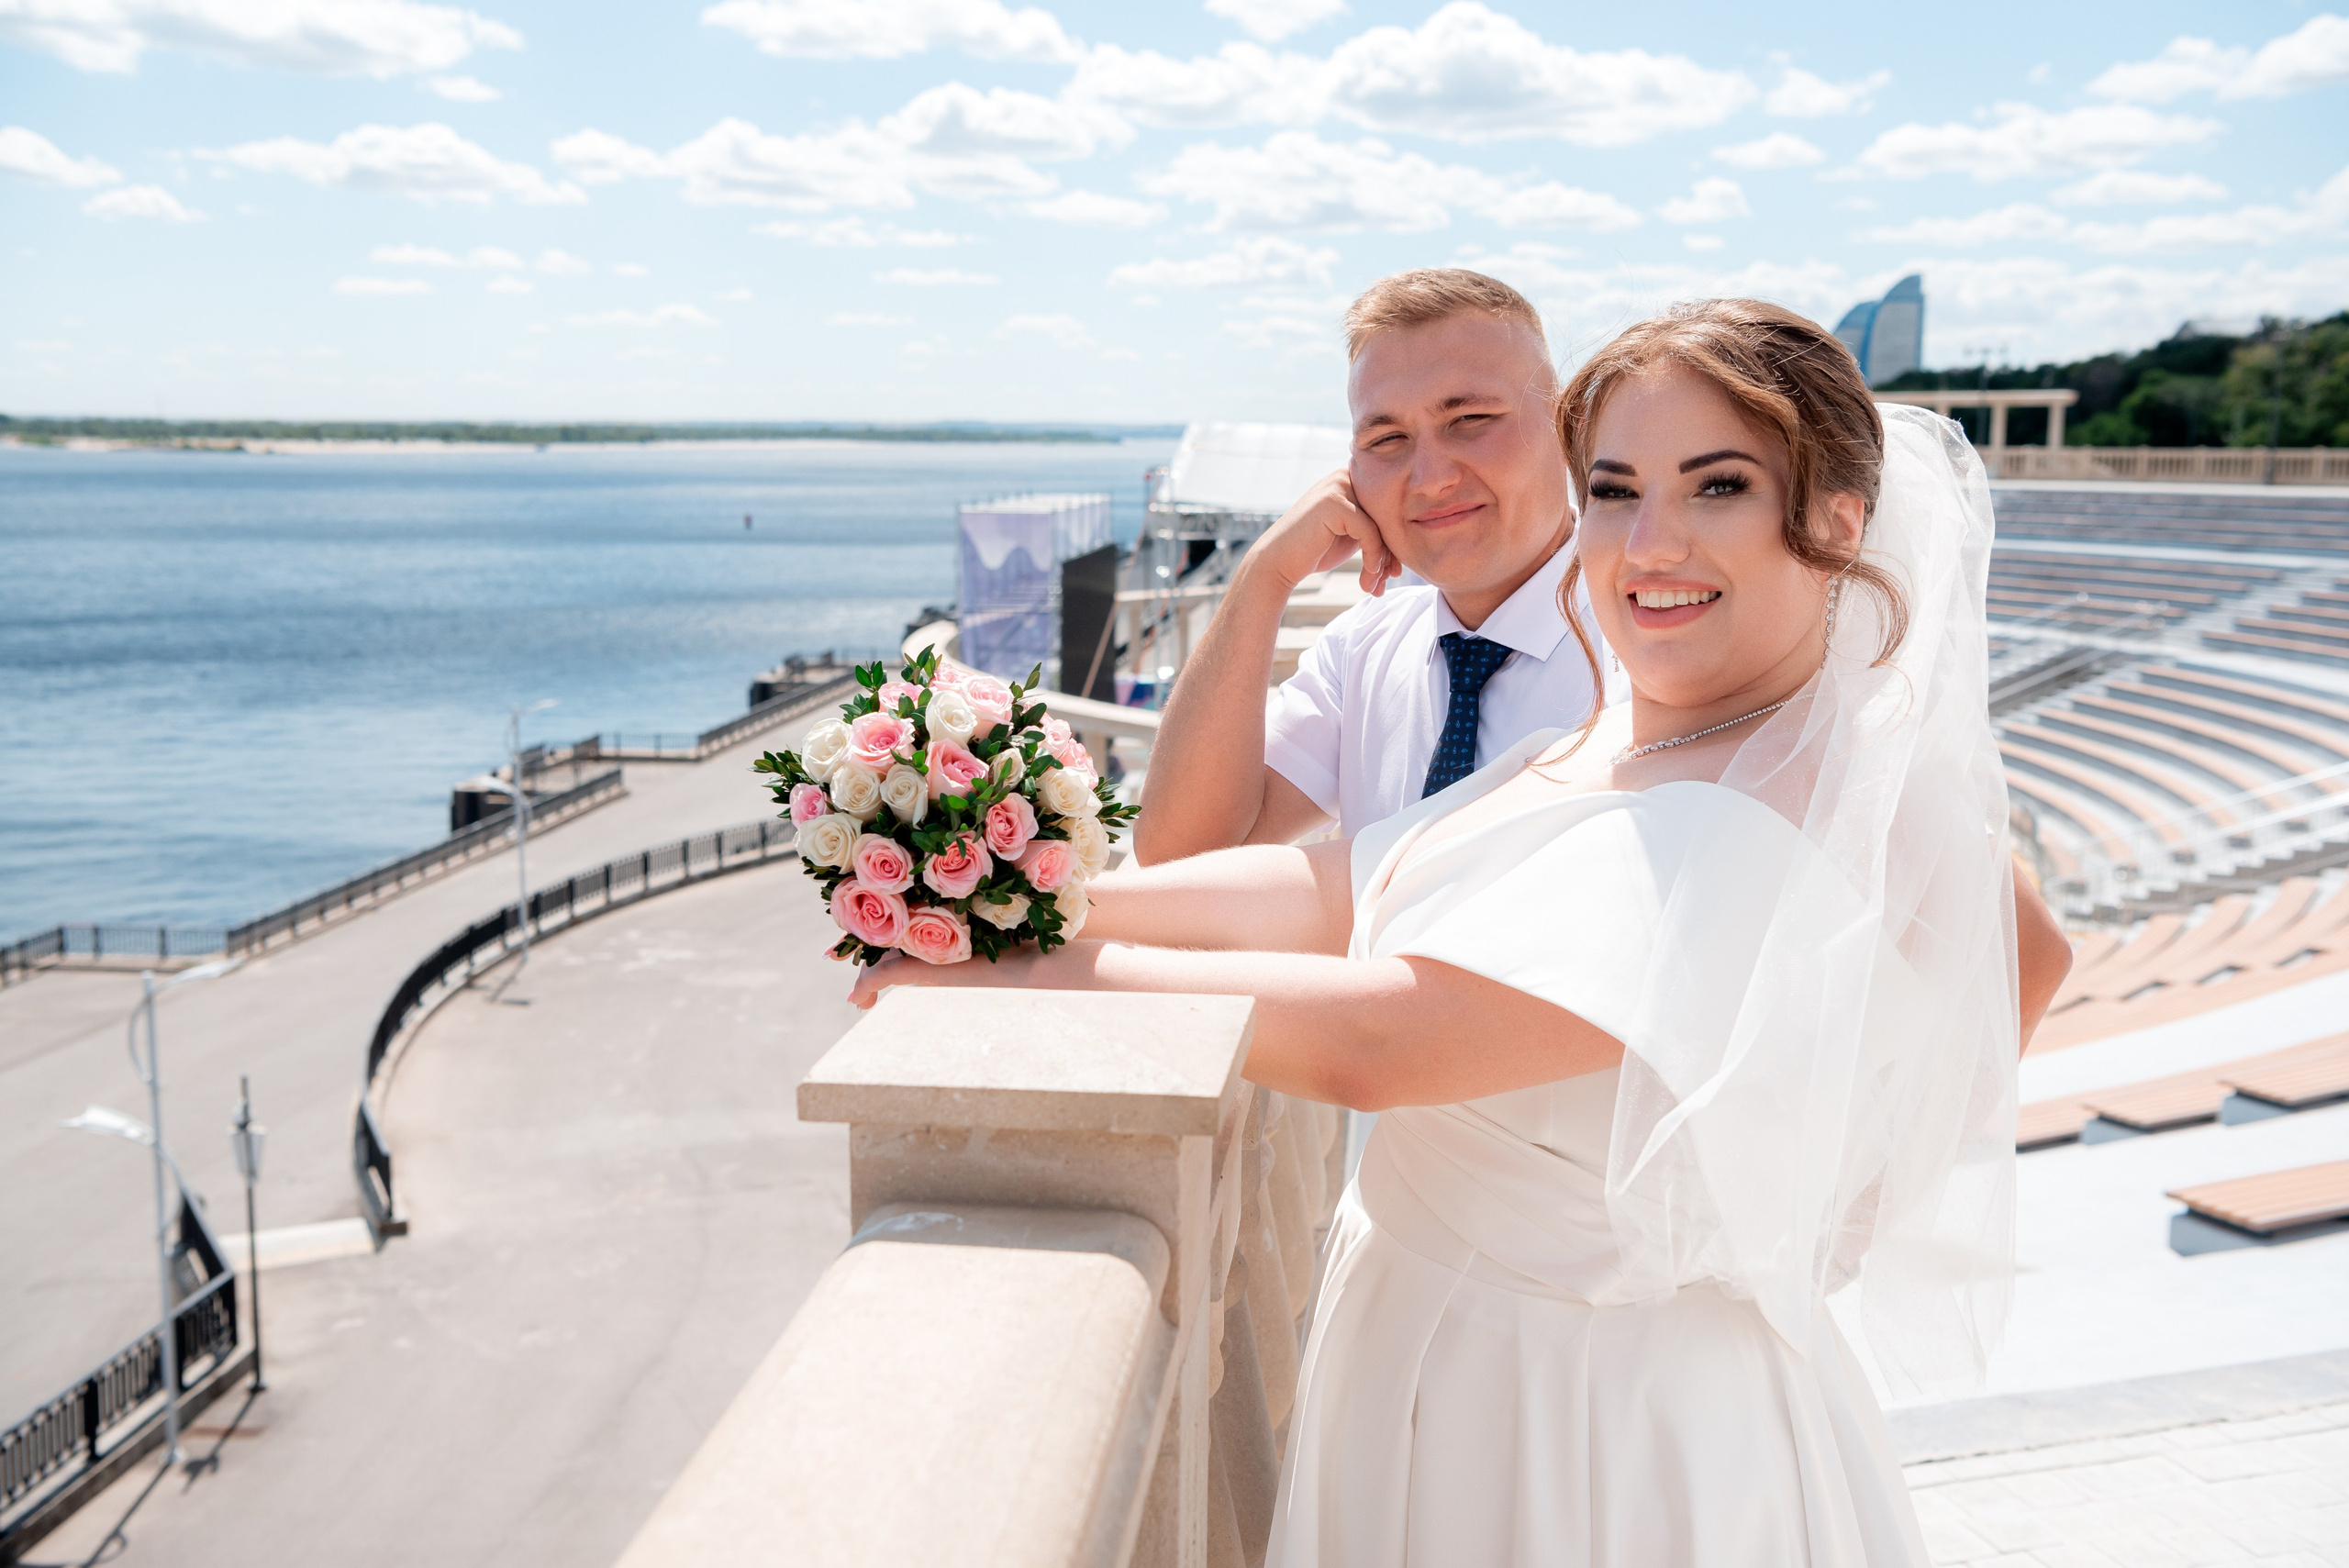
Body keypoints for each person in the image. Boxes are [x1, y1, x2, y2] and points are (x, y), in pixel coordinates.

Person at [856, 297, 2073, 1564]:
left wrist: (1054, 973)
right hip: (1446, 1343)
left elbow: (1388, 1042)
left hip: (1592, 1419)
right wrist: (1007, 902)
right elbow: (1336, 884)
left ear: (1833, 518)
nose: (1650, 542)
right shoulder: (1623, 734)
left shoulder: (1758, 812)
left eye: (1717, 487)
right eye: (1616, 489)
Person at [1133, 269, 1625, 864]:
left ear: (1567, 427)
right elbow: (1184, 856)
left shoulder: (1641, 648)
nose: (1432, 477)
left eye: (1469, 420)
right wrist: (1263, 576)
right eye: (1387, 438)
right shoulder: (1362, 650)